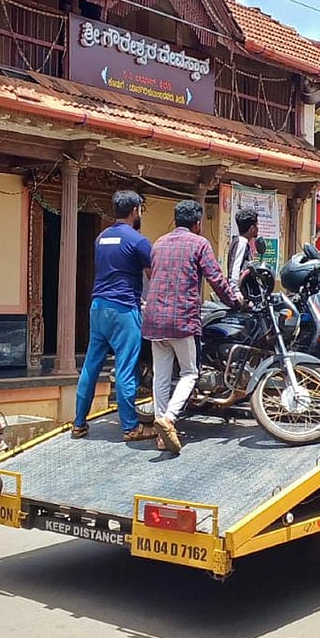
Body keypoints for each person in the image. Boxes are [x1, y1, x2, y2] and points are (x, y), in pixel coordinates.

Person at [143, 200, 242, 454]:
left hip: (154, 318)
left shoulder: (159, 243)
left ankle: (161, 435)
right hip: (182, 318)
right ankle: (169, 419)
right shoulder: (199, 243)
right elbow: (216, 278)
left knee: (161, 376)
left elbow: (152, 275)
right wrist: (234, 301)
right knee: (189, 373)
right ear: (197, 224)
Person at [72, 190, 152, 441]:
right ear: (135, 210)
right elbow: (153, 274)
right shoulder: (138, 241)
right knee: (126, 368)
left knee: (90, 367)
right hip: (123, 310)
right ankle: (131, 427)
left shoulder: (101, 238)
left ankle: (79, 423)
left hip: (98, 308)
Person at [227, 207, 260, 288]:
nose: (258, 228)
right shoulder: (241, 243)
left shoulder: (240, 241)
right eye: (257, 225)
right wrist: (235, 290)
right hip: (240, 292)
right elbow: (235, 267)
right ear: (252, 228)